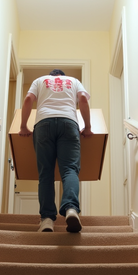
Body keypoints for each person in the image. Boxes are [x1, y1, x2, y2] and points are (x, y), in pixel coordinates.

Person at [18, 69, 93, 233]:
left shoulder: (39, 80)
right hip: (69, 123)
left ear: (50, 77)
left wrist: (23, 125)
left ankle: (46, 220)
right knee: (70, 170)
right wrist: (87, 127)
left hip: (43, 124)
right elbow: (82, 99)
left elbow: (28, 99)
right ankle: (71, 209)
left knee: (45, 173)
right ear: (62, 77)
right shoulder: (73, 81)